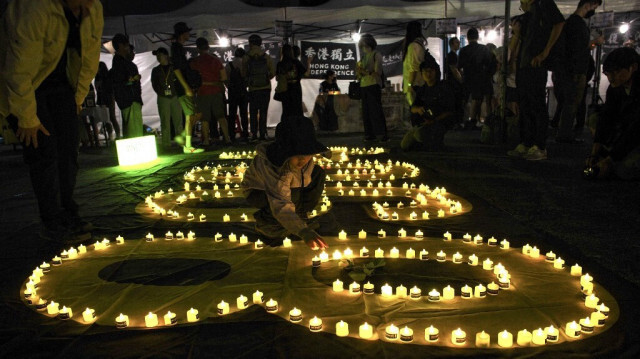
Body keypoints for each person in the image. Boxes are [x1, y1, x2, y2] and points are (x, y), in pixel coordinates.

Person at [0, 0, 103, 244]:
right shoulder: (33, 7)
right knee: (44, 153)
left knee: (68, 150)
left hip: (62, 85)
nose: (88, 7)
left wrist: (78, 97)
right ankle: (52, 221)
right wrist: (26, 117)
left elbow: (89, 54)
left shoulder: (92, 7)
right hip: (28, 86)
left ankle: (68, 211)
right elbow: (18, 67)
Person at [242, 116, 332, 250]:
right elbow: (280, 202)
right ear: (285, 152)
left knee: (317, 174)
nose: (303, 160)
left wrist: (300, 225)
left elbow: (304, 179)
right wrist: (304, 232)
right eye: (297, 155)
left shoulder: (305, 159)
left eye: (307, 154)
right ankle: (268, 223)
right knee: (290, 198)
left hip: (288, 186)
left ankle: (297, 219)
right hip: (258, 191)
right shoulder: (274, 168)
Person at [507, 0, 565, 160]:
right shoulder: (527, 16)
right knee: (525, 104)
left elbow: (559, 23)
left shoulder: (544, 4)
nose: (522, 4)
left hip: (535, 64)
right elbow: (514, 45)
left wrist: (545, 52)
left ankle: (539, 146)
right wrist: (517, 33)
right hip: (524, 65)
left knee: (536, 104)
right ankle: (526, 142)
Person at [586, 47, 640, 180]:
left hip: (635, 132)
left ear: (633, 67)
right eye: (608, 74)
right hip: (625, 129)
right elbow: (607, 117)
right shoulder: (616, 87)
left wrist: (610, 160)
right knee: (594, 118)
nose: (610, 78)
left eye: (615, 72)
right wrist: (594, 152)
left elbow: (636, 129)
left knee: (625, 170)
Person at [554, 0, 602, 144]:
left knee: (570, 103)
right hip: (575, 70)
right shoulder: (576, 24)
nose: (594, 10)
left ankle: (564, 133)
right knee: (572, 102)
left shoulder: (571, 23)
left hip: (571, 70)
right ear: (588, 4)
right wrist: (595, 42)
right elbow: (578, 48)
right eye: (594, 6)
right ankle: (565, 135)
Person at [401, 56, 460, 151]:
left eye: (431, 71)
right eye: (425, 71)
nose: (428, 74)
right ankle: (426, 142)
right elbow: (413, 107)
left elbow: (450, 111)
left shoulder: (443, 88)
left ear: (436, 72)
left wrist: (435, 120)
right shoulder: (422, 90)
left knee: (419, 135)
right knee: (405, 145)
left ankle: (435, 142)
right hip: (424, 122)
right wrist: (418, 109)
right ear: (421, 73)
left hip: (439, 121)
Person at [170, 22, 204, 153]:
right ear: (182, 34)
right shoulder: (177, 48)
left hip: (184, 86)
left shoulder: (178, 48)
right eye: (187, 32)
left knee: (195, 114)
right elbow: (177, 69)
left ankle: (184, 137)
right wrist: (186, 87)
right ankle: (187, 145)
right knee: (191, 115)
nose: (189, 34)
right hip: (182, 87)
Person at [190, 37, 231, 145]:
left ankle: (207, 140)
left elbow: (193, 79)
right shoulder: (215, 60)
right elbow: (224, 77)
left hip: (203, 92)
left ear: (197, 48)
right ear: (208, 47)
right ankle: (227, 138)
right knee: (221, 116)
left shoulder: (195, 62)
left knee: (204, 118)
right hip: (216, 91)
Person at [458, 28, 497, 130]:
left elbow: (459, 66)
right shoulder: (484, 49)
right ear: (477, 37)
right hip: (482, 78)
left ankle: (467, 121)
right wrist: (489, 74)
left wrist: (463, 76)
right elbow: (492, 64)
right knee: (482, 100)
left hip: (468, 78)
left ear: (467, 38)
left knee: (468, 100)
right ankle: (483, 121)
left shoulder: (463, 50)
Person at [243, 34, 275, 141]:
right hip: (265, 88)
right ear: (261, 43)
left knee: (253, 112)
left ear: (250, 43)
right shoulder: (266, 56)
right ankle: (262, 133)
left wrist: (251, 80)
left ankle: (253, 134)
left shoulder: (246, 57)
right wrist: (265, 79)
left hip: (253, 88)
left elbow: (244, 74)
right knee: (263, 111)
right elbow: (272, 72)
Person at [110, 34, 143, 138]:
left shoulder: (119, 62)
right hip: (130, 100)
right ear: (121, 46)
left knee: (131, 127)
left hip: (128, 100)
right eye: (127, 45)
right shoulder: (121, 63)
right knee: (134, 129)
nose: (129, 48)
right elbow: (121, 82)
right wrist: (133, 80)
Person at [150, 47, 184, 150]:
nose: (158, 57)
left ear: (166, 55)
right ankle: (166, 143)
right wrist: (161, 92)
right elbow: (154, 84)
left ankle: (181, 142)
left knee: (178, 120)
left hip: (175, 96)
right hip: (162, 97)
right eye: (157, 56)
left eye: (159, 55)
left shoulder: (173, 68)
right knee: (165, 120)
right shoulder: (156, 70)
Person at [357, 34, 388, 142]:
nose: (363, 48)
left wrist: (364, 72)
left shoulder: (376, 54)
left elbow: (377, 72)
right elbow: (360, 74)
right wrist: (359, 73)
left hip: (373, 85)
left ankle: (382, 134)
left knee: (376, 111)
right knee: (366, 112)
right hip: (364, 85)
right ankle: (369, 135)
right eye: (362, 46)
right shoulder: (364, 56)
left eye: (364, 45)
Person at [276, 44, 306, 122]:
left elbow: (277, 78)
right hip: (295, 89)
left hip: (284, 90)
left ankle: (285, 128)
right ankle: (297, 127)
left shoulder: (280, 64)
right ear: (291, 52)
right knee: (297, 109)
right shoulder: (296, 62)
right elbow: (305, 72)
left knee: (286, 110)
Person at [226, 47, 249, 141]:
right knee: (244, 113)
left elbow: (225, 79)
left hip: (232, 92)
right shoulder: (245, 64)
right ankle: (245, 133)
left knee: (232, 114)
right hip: (243, 92)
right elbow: (247, 78)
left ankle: (231, 134)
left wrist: (229, 87)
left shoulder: (229, 65)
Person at [402, 21, 426, 107]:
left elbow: (414, 68)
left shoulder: (413, 46)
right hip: (419, 85)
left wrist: (409, 85)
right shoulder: (420, 45)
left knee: (415, 111)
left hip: (415, 86)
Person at [95, 61, 120, 139]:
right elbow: (97, 89)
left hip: (108, 99)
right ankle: (110, 134)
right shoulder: (97, 77)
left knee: (112, 117)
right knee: (105, 118)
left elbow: (110, 89)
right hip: (101, 99)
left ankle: (117, 134)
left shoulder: (107, 76)